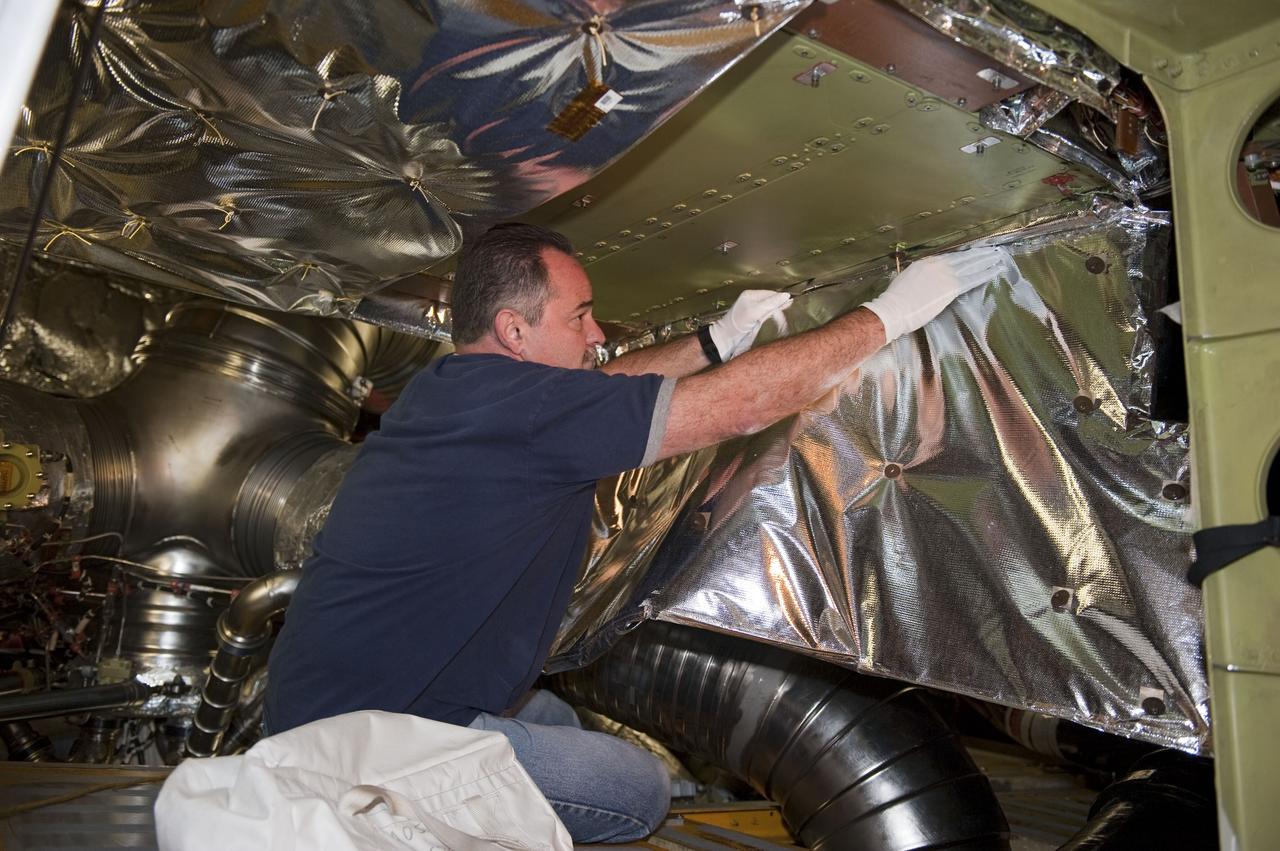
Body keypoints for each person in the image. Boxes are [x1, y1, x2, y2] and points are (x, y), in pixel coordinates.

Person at [265, 223, 1008, 843]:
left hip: (332, 706)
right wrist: (891, 314)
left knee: (548, 713)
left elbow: (604, 389)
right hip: (368, 747)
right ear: (514, 330)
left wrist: (712, 342)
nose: (597, 334)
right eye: (579, 316)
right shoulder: (524, 412)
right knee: (635, 790)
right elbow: (738, 409)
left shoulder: (456, 388)